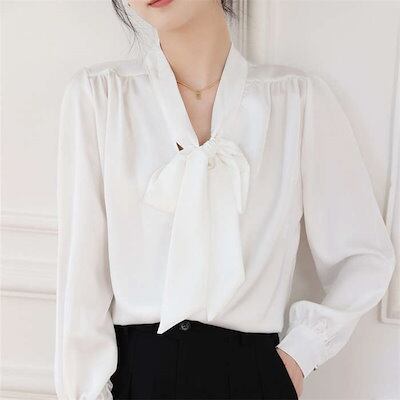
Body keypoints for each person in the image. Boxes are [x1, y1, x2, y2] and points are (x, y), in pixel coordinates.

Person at [53, 0, 396, 399]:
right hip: (138, 378)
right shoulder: (102, 96)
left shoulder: (295, 100)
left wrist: (300, 354)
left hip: (255, 376)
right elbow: (81, 281)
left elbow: (364, 256)